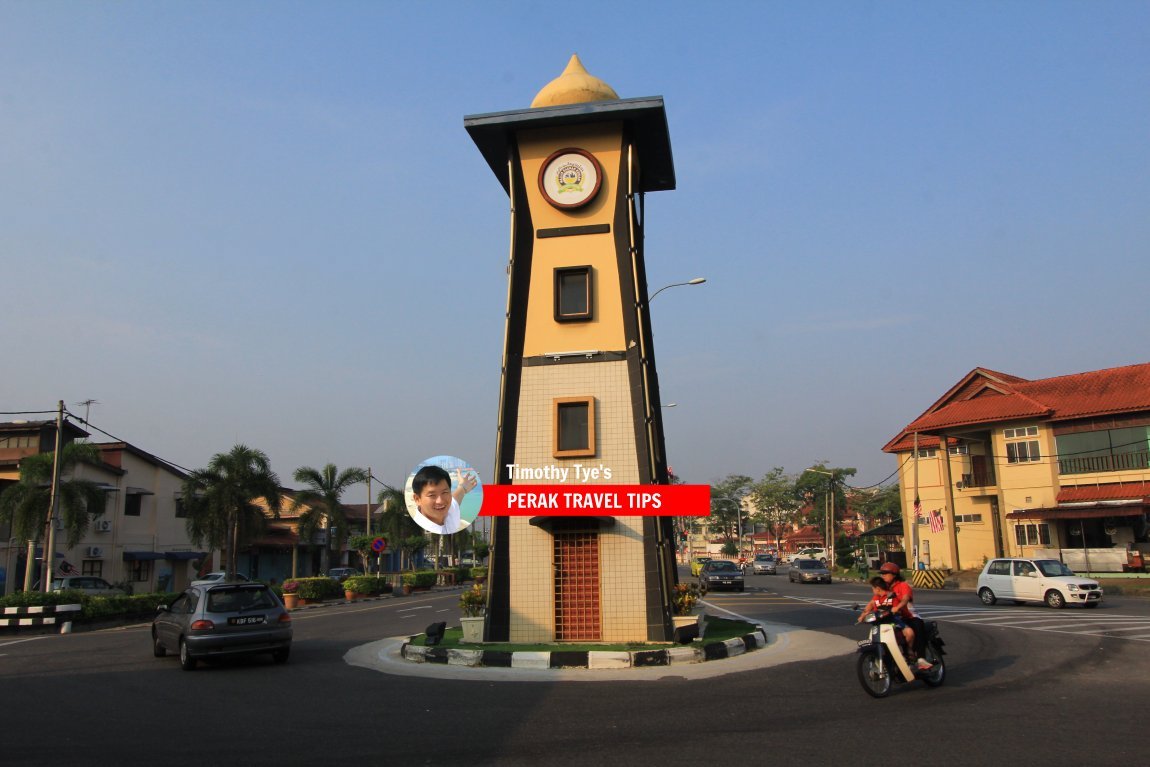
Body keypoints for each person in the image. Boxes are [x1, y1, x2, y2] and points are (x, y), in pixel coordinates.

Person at [878, 562, 931, 670]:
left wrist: (898, 607)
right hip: (894, 618)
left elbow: (906, 598)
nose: (883, 575)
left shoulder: (903, 585)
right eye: (882, 573)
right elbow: (876, 600)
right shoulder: (885, 589)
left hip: (909, 616)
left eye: (885, 573)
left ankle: (921, 658)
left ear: (894, 574)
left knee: (917, 627)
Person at [409, 464, 477, 535]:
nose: (440, 501)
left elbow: (455, 499)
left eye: (444, 492)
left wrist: (463, 487)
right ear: (417, 499)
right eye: (432, 495)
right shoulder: (418, 531)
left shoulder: (449, 511)